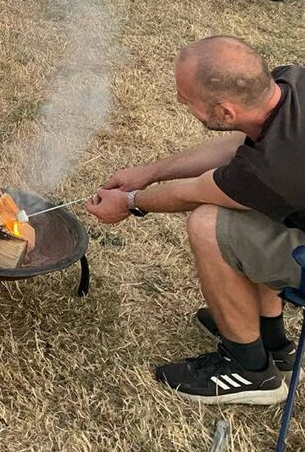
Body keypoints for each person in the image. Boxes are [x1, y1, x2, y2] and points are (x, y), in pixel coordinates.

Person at [87, 35, 305, 404]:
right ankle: (272, 342)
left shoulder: (271, 170)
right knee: (249, 208)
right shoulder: (291, 82)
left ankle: (250, 369)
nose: (179, 101)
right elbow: (236, 145)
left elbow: (193, 193)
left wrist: (129, 202)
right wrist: (149, 171)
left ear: (225, 112)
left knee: (209, 224)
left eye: (187, 99)